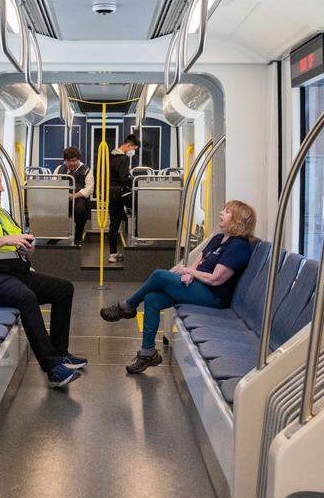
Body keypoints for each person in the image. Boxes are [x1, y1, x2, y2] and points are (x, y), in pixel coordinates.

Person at [0, 166, 88, 389]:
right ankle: (52, 368)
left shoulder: (1, 214)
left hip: (15, 273)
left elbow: (18, 242)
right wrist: (4, 240)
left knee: (63, 289)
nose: (1, 190)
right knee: (26, 297)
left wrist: (26, 248)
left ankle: (60, 354)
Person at [100, 200, 258, 374]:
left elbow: (215, 280)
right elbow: (199, 263)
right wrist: (189, 273)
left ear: (237, 220)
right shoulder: (218, 238)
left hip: (214, 296)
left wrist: (188, 271)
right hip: (199, 286)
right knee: (152, 299)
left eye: (227, 212)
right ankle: (147, 353)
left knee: (160, 275)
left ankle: (128, 306)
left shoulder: (238, 246)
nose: (221, 213)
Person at [106, 133, 140, 262]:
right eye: (134, 149)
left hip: (111, 193)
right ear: (128, 145)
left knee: (114, 224)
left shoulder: (110, 156)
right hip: (121, 193)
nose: (133, 152)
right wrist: (136, 183)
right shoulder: (123, 158)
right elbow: (124, 178)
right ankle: (140, 237)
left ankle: (112, 254)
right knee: (141, 208)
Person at [53, 146, 94, 245]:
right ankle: (56, 235)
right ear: (65, 160)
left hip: (79, 198)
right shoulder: (59, 169)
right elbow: (53, 183)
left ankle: (78, 235)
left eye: (74, 160)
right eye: (68, 161)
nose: (71, 163)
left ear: (78, 159)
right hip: (62, 197)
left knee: (80, 209)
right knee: (53, 207)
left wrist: (73, 196)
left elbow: (89, 189)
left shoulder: (87, 171)